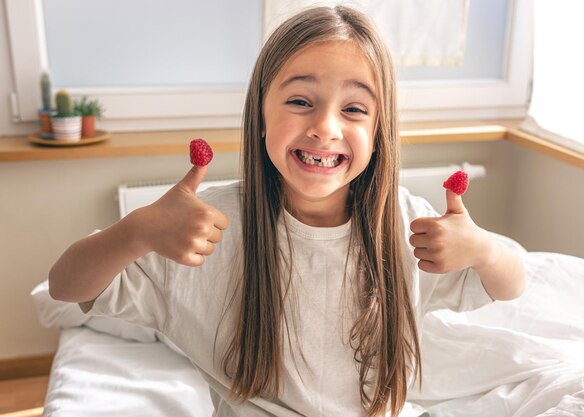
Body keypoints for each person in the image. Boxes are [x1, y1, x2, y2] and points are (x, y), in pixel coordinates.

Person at [48, 5, 525, 417]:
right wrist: (137, 231)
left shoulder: (405, 223)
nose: (325, 127)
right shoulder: (207, 228)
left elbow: (510, 283)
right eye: (300, 101)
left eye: (354, 110)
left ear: (380, 131)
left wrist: (484, 249)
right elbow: (66, 285)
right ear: (260, 114)